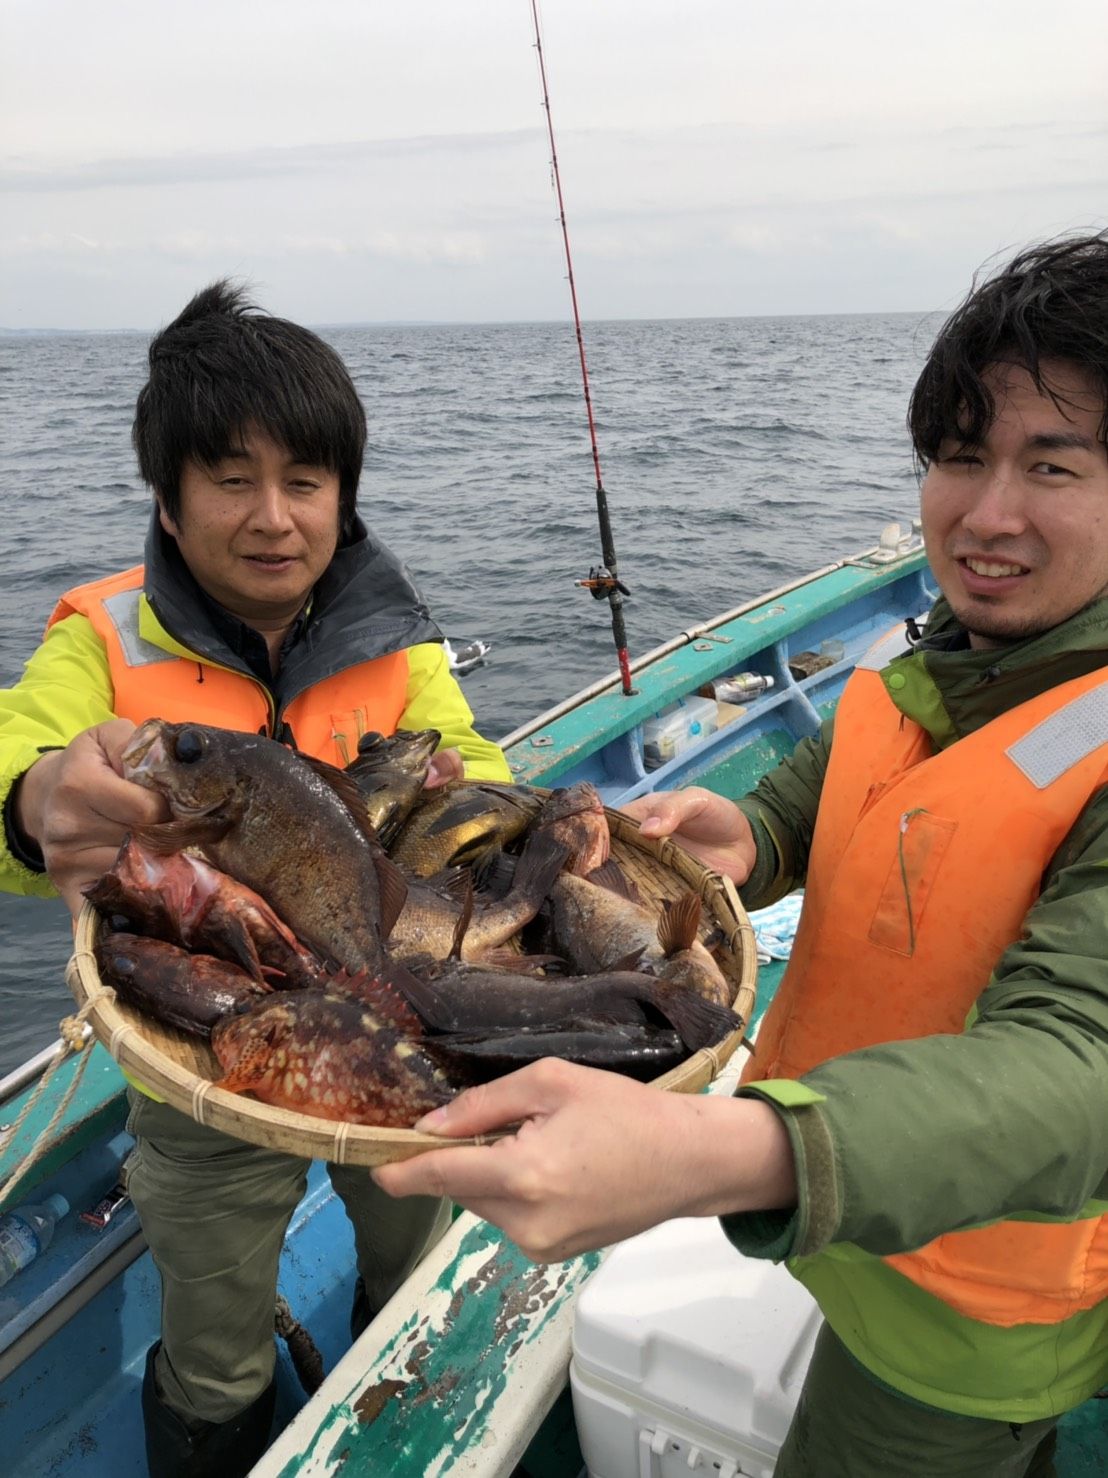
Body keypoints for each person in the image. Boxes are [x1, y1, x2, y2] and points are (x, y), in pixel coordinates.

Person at [375, 232, 1108, 1476]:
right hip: (847, 1216)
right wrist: (754, 834)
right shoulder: (965, 652)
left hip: (966, 1307)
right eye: (958, 456)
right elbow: (852, 784)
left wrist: (730, 1153)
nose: (986, 514)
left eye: (1051, 464)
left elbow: (1077, 1062)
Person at [0, 280, 510, 1478]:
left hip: (393, 1034)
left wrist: (483, 813)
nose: (274, 517)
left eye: (306, 481)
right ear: (168, 502)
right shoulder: (100, 637)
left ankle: (390, 1408)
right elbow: (22, 761)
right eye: (232, 479)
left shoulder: (398, 641)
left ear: (344, 495)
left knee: (413, 1264)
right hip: (197, 1072)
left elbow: (477, 768)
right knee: (216, 1347)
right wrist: (37, 803)